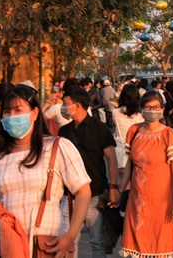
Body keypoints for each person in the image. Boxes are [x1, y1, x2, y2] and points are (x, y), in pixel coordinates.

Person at [0, 86, 92, 257]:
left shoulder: (56, 147)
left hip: (45, 245)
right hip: (7, 246)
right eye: (7, 111)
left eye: (18, 110)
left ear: (34, 113)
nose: (11, 116)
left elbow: (83, 191)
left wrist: (70, 235)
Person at [119, 91, 173, 257]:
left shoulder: (170, 135)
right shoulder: (134, 132)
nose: (152, 110)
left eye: (156, 107)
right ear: (141, 109)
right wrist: (119, 192)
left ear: (162, 109)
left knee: (160, 248)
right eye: (148, 107)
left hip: (161, 204)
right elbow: (128, 166)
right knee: (135, 249)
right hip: (136, 202)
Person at [59, 87, 119, 258]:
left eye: (66, 104)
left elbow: (111, 159)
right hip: (69, 195)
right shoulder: (64, 131)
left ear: (77, 105)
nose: (63, 108)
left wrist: (113, 187)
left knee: (97, 242)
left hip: (95, 193)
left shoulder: (100, 129)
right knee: (69, 240)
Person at [111, 84, 144, 172]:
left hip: (121, 148)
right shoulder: (141, 113)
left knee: (124, 181)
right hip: (138, 148)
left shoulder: (115, 112)